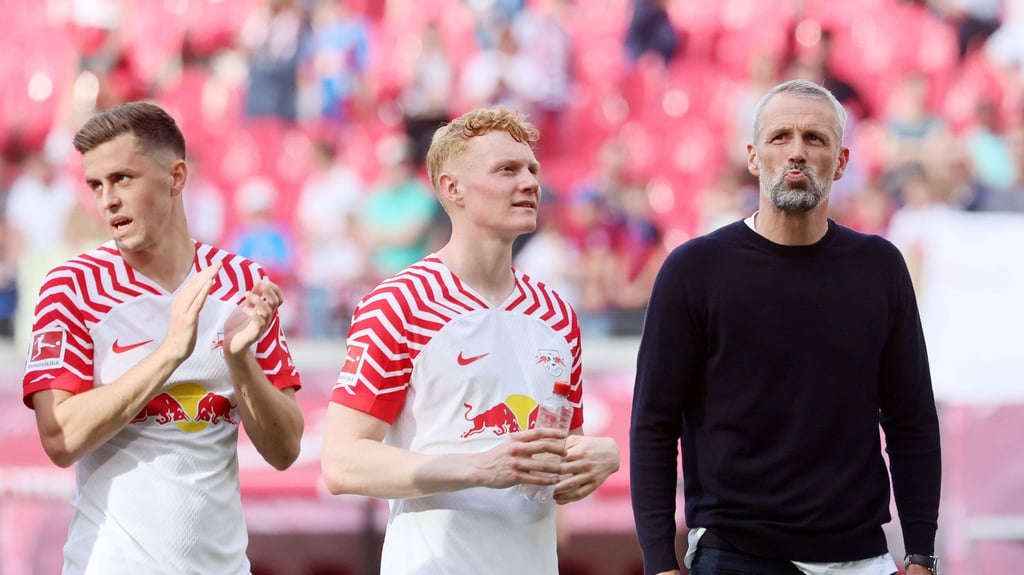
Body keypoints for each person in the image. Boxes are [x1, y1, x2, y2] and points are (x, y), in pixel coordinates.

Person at [630, 80, 941, 575]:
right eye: (780, 138)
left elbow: (912, 419)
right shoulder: (694, 270)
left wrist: (922, 554)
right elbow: (653, 424)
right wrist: (657, 562)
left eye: (815, 139)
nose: (796, 152)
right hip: (736, 553)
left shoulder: (879, 268)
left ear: (841, 162)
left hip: (861, 553)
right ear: (754, 157)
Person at [320, 105, 620, 574]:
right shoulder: (400, 302)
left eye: (533, 170)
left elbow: (559, 457)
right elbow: (341, 462)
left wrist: (598, 457)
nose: (530, 183)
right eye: (507, 170)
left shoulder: (557, 314)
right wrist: (478, 467)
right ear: (452, 189)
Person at [21, 102, 304, 574]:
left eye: (123, 179)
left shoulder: (242, 282)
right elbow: (60, 438)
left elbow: (286, 449)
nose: (107, 199)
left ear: (176, 177)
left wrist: (240, 363)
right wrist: (171, 353)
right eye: (96, 184)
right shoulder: (71, 286)